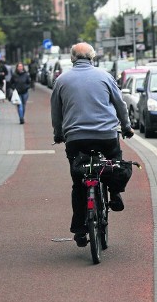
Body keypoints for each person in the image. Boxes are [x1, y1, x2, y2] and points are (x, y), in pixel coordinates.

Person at [51, 42, 134, 247]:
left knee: (78, 182)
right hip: (106, 135)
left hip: (76, 139)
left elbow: (56, 112)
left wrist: (59, 134)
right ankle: (114, 192)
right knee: (114, 161)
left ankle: (80, 229)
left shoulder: (61, 80)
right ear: (92, 57)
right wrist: (126, 127)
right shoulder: (105, 77)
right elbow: (120, 104)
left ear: (72, 58)